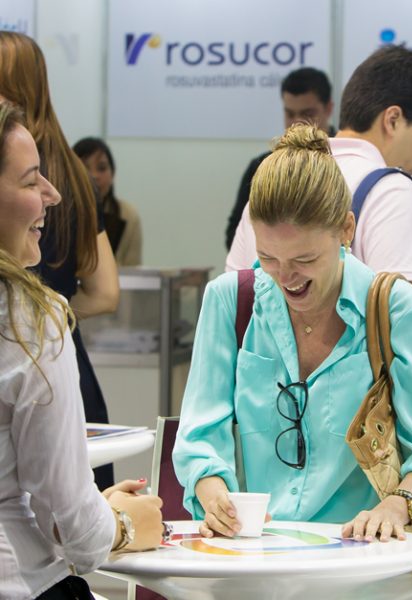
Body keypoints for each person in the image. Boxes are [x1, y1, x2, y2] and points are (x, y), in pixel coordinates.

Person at [173, 124, 412, 598]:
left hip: (367, 576)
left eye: (304, 259)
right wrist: (212, 491)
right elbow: (200, 434)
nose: (286, 277)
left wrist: (398, 505)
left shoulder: (396, 309)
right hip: (255, 573)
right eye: (268, 257)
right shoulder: (230, 301)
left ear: (346, 230)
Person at [0, 101, 164, 600]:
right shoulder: (29, 321)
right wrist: (124, 523)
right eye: (31, 181)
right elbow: (70, 519)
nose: (51, 194)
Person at [226, 46, 412, 294]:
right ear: (393, 119)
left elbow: (234, 299)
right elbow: (401, 313)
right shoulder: (393, 190)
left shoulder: (274, 181)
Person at [0, 31, 119, 489]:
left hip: (37, 375)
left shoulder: (20, 164)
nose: (45, 196)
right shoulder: (74, 171)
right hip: (66, 366)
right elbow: (104, 292)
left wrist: (33, 315)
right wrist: (52, 313)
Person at [225, 66, 335, 249]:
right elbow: (234, 236)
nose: (297, 122)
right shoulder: (261, 167)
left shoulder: (348, 162)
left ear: (328, 108)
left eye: (308, 114)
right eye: (290, 114)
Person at [73, 137, 142, 266]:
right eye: (84, 167)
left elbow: (132, 269)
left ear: (113, 174)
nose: (94, 175)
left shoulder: (127, 214)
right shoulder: (57, 214)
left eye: (102, 168)